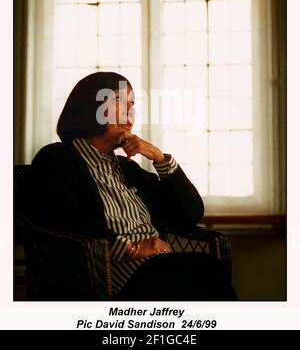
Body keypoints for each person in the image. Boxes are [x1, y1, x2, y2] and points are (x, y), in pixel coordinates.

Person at [29, 71, 237, 300]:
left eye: (132, 103)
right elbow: (62, 214)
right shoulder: (57, 158)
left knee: (203, 272)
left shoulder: (127, 168)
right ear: (90, 106)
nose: (130, 110)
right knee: (204, 270)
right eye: (118, 100)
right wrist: (132, 249)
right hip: (102, 277)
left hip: (161, 268)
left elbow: (190, 213)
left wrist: (159, 158)